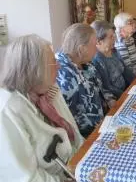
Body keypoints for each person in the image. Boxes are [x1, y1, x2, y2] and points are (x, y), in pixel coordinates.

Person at [0, 35, 83, 181]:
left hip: (74, 165)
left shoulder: (48, 90)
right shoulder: (8, 110)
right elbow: (26, 177)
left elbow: (73, 131)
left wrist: (86, 155)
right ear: (33, 69)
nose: (58, 66)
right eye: (52, 62)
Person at [56, 23, 109, 138]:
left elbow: (99, 89)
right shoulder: (64, 74)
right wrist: (99, 125)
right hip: (87, 136)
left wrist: (110, 102)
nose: (97, 49)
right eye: (94, 45)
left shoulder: (85, 63)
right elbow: (69, 117)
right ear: (82, 49)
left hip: (104, 121)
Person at [91, 20, 136, 100]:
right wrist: (127, 96)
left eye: (114, 35)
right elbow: (108, 87)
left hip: (127, 90)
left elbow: (125, 70)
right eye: (111, 37)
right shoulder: (97, 60)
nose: (114, 39)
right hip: (117, 98)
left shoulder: (114, 51)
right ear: (99, 42)